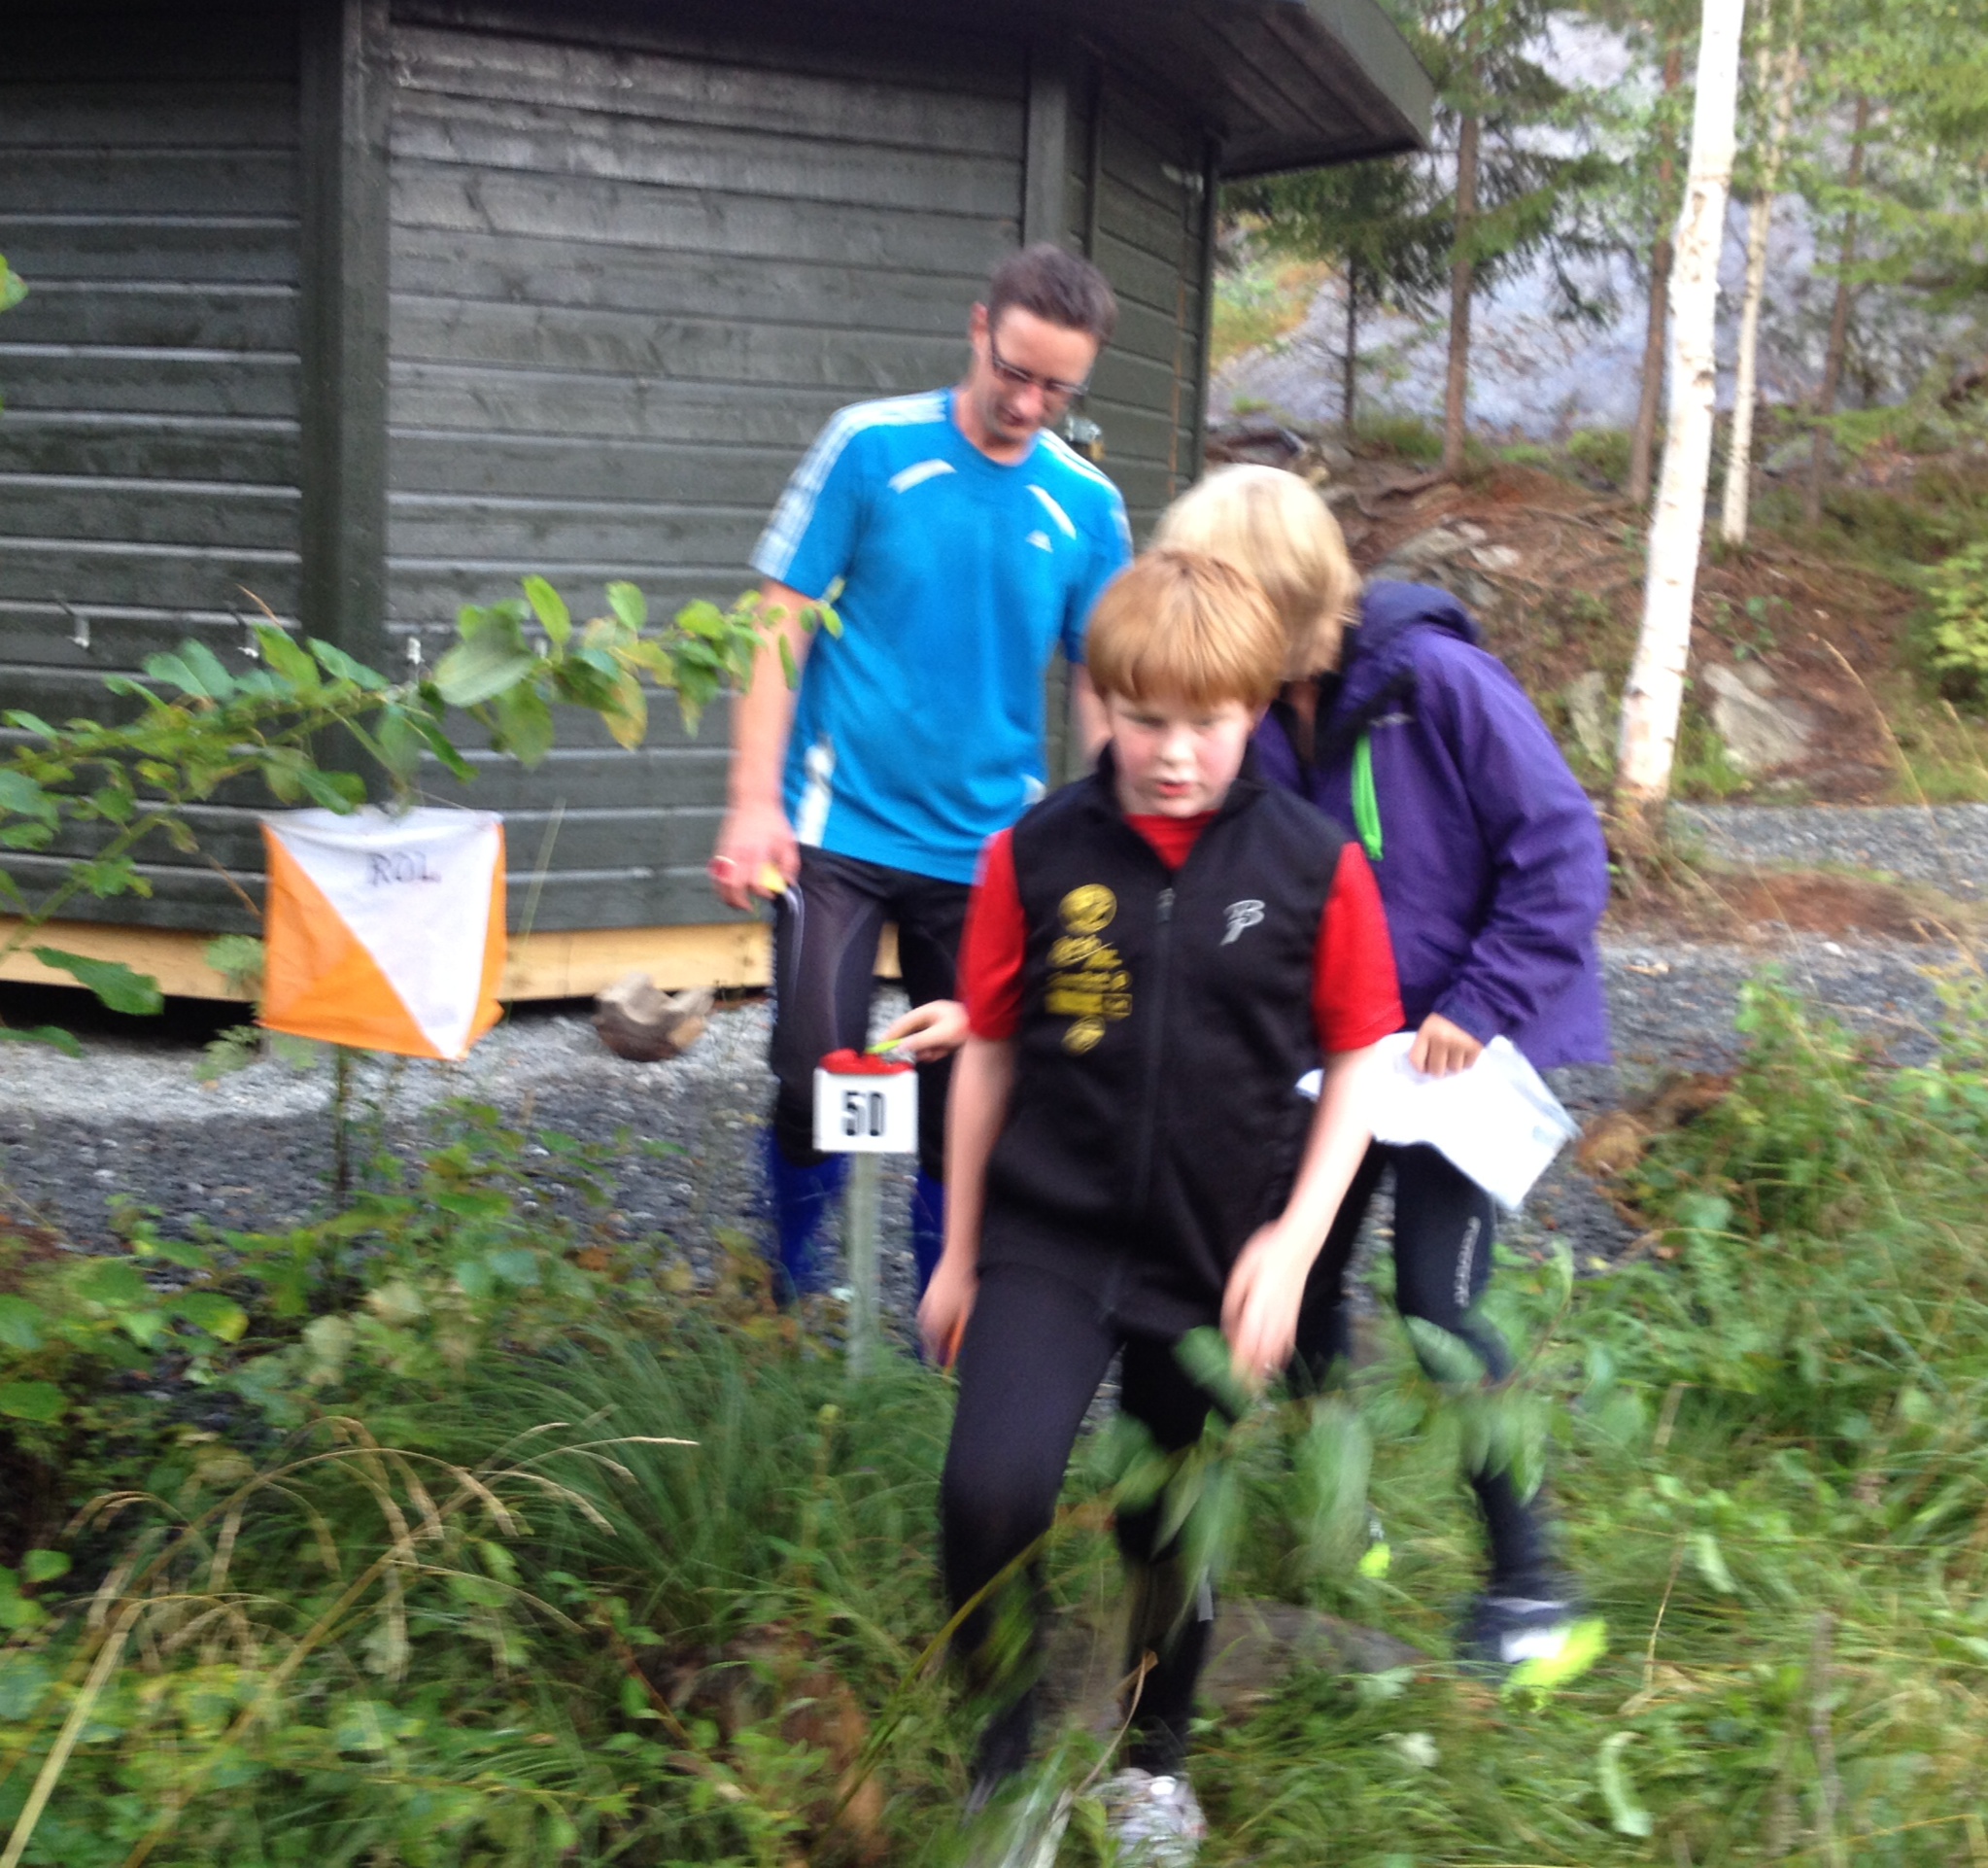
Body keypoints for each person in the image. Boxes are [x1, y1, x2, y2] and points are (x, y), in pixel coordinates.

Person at [919, 549, 1402, 1857]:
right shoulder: (1031, 853)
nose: (1174, 752)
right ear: (1099, 705)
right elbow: (989, 1051)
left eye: (1206, 722)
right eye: (1144, 719)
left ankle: (1153, 1763)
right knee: (989, 1493)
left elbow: (1364, 1050)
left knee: (1166, 1514)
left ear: (1253, 709)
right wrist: (959, 1251)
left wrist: (1295, 1245)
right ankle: (1006, 1756)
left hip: (1211, 1251)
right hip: (1048, 1237)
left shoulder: (1314, 864)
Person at [1152, 464, 1613, 1668]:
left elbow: (1564, 852)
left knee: (1441, 1309)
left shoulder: (1437, 684)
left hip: (1458, 1057)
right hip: (1342, 1059)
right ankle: (1337, 1517)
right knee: (1289, 1283)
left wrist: (1482, 999)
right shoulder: (1254, 714)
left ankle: (1535, 1587)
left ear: (1287, 598)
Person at [709, 245, 1132, 1301]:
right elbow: (778, 618)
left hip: (989, 849)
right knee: (814, 1073)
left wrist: (1121, 837)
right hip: (836, 829)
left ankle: (940, 1318)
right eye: (1015, 371)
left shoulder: (1089, 505)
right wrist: (754, 801)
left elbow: (1101, 682)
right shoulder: (869, 445)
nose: (1029, 402)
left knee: (969, 1094)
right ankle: (784, 1291)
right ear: (978, 327)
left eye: (1058, 387)